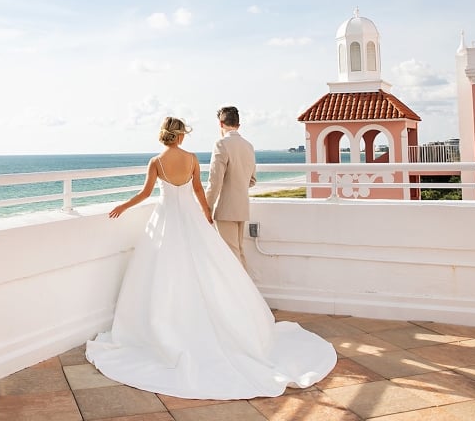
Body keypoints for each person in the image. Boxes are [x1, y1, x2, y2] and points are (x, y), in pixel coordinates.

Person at [86, 116, 337, 400]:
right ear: (181, 136)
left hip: (166, 222)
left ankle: (167, 324)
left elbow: (145, 193)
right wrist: (206, 215)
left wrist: (123, 205)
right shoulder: (192, 159)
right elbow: (197, 192)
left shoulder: (155, 161)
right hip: (191, 219)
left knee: (165, 274)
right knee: (207, 269)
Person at [205, 106, 256, 269]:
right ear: (238, 125)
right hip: (242, 206)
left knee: (231, 256)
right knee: (239, 252)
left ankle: (242, 294)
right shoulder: (248, 146)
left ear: (221, 124)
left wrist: (206, 207)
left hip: (225, 208)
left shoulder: (221, 144)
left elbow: (215, 180)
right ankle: (248, 293)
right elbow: (252, 180)